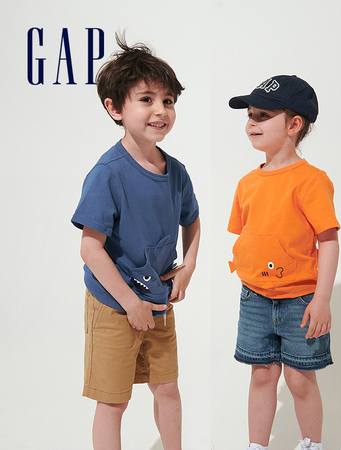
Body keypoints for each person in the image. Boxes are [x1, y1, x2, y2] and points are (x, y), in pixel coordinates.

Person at [71, 33, 200, 450]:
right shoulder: (108, 173)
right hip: (114, 304)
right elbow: (90, 248)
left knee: (167, 388)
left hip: (158, 301)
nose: (160, 110)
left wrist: (188, 267)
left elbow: (193, 221)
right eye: (146, 99)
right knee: (114, 401)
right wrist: (130, 302)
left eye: (168, 100)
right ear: (115, 108)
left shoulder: (176, 172)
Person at [227, 75, 340, 450]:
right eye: (250, 114)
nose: (252, 122)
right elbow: (250, 234)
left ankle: (312, 444)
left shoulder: (311, 181)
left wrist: (321, 300)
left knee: (299, 379)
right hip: (255, 298)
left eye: (263, 115)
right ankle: (256, 446)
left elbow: (329, 242)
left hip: (300, 302)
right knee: (262, 375)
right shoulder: (247, 183)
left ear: (294, 125)